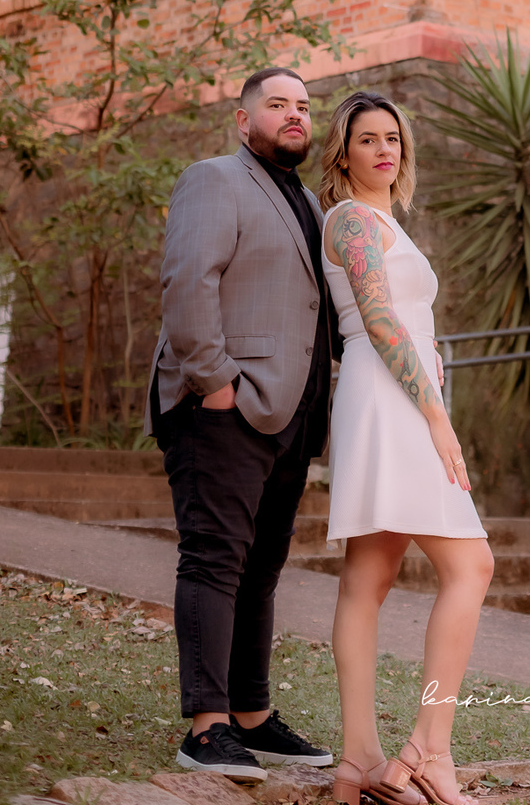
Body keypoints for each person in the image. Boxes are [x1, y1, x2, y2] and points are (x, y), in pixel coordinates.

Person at [145, 66, 337, 780]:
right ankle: (206, 728)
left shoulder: (310, 203)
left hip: (292, 414)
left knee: (261, 570)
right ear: (241, 118)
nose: (295, 116)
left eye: (303, 107)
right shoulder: (213, 178)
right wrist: (214, 382)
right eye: (278, 104)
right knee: (214, 560)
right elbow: (186, 279)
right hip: (222, 407)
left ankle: (251, 715)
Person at [318, 91, 494, 805]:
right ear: (344, 153)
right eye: (367, 139)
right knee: (471, 565)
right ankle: (429, 751)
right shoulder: (353, 219)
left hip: (396, 390)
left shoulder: (384, 218)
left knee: (370, 577)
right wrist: (437, 417)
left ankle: (360, 761)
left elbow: (404, 321)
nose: (384, 149)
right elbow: (381, 320)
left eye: (393, 138)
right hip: (393, 400)